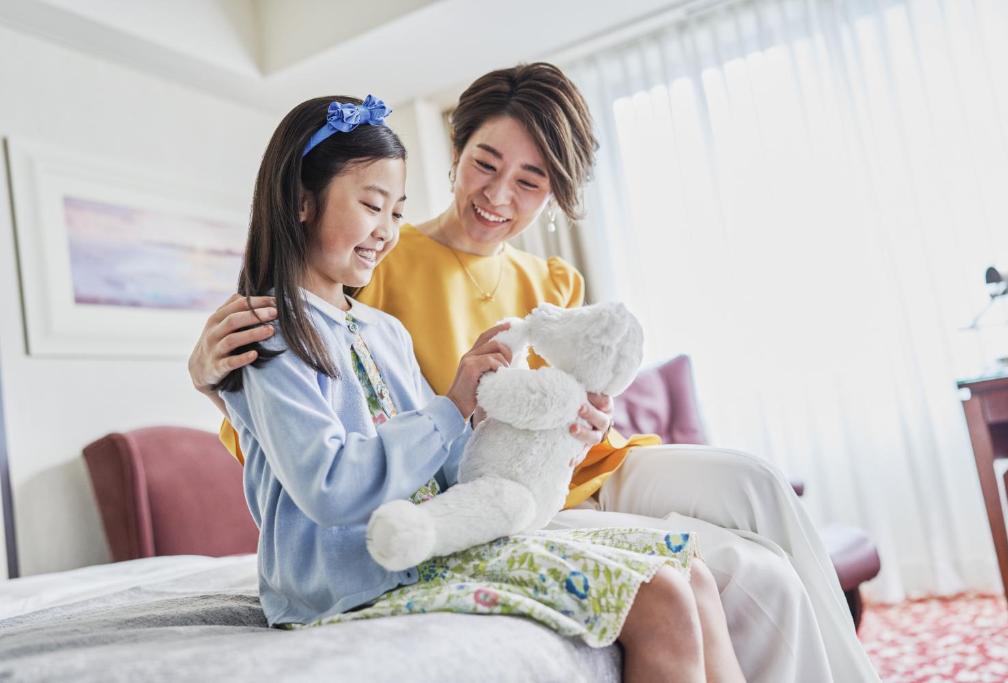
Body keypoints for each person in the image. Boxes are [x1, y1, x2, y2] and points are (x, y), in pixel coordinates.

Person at [193, 65, 878, 682]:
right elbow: (312, 472)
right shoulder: (281, 324)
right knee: (665, 594)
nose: (386, 230)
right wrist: (217, 383)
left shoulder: (389, 329)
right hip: (366, 568)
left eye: (395, 211)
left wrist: (547, 419)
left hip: (503, 501)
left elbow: (451, 463)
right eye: (373, 207)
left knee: (704, 553)